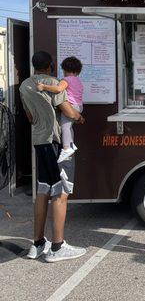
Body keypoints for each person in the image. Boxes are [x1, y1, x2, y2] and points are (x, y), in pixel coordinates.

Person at [19, 51, 87, 263]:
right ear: (50, 66)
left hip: (39, 142)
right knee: (61, 191)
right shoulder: (55, 83)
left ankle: (38, 243)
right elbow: (68, 111)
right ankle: (57, 246)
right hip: (57, 143)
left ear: (34, 66)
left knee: (43, 189)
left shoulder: (24, 86)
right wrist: (80, 116)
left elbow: (29, 117)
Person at [37, 56, 84, 163]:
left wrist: (44, 87)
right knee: (69, 127)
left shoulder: (66, 80)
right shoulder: (78, 81)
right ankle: (71, 145)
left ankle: (67, 148)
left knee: (64, 127)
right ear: (78, 71)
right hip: (79, 106)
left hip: (71, 107)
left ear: (64, 69)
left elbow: (58, 89)